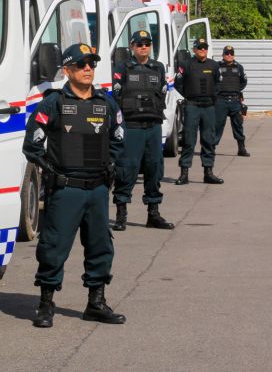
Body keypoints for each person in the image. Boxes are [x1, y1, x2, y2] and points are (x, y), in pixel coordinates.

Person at [23, 43, 126, 329]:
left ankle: (96, 303)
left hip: (97, 190)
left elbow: (118, 139)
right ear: (67, 70)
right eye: (81, 65)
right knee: (53, 247)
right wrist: (52, 170)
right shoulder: (53, 103)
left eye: (91, 64)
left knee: (100, 246)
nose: (88, 69)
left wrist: (109, 166)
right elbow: (32, 145)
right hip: (65, 190)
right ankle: (45, 305)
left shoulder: (106, 104)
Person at [111, 31, 174, 231]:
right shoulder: (123, 67)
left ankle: (153, 214)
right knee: (126, 169)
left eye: (147, 43)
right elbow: (117, 95)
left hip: (153, 127)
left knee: (155, 169)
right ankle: (121, 215)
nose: (144, 47)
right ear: (132, 46)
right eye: (139, 44)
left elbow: (162, 93)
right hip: (132, 126)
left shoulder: (158, 67)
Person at [174, 37, 224, 185]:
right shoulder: (186, 64)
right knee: (189, 139)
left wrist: (212, 98)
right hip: (192, 106)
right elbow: (178, 83)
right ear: (194, 49)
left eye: (205, 47)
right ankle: (184, 174)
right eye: (200, 47)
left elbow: (218, 84)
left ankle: (208, 172)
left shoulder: (214, 65)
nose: (203, 50)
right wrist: (189, 96)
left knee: (208, 139)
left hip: (208, 107)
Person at [215, 45, 250, 157]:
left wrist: (236, 90)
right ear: (223, 54)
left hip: (235, 101)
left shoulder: (239, 67)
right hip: (221, 100)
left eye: (231, 53)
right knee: (218, 125)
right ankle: (211, 148)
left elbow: (243, 81)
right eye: (227, 53)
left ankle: (241, 148)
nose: (229, 55)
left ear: (234, 55)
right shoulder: (217, 66)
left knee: (238, 125)